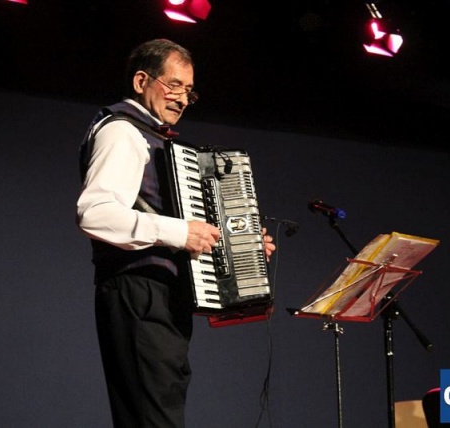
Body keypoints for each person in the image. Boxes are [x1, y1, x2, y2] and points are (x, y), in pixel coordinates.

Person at [76, 38, 276, 428]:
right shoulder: (122, 132)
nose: (183, 99)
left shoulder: (156, 139)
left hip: (163, 298)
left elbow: (176, 228)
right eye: (174, 85)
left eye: (189, 91)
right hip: (138, 292)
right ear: (141, 81)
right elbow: (95, 214)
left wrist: (239, 248)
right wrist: (180, 232)